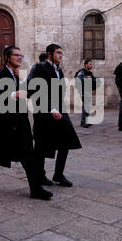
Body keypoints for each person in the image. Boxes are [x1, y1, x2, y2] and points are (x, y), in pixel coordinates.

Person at [0, 46, 52, 200]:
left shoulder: (21, 76)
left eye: (21, 55)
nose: (19, 58)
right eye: (16, 55)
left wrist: (23, 81)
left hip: (21, 121)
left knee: (28, 155)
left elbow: (31, 93)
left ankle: (35, 189)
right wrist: (13, 93)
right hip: (3, 122)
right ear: (7, 57)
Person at [30, 44, 82, 187]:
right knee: (41, 145)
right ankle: (40, 175)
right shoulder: (40, 68)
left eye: (61, 53)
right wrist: (50, 108)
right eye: (58, 53)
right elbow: (35, 90)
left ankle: (58, 174)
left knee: (66, 141)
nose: (60, 55)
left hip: (59, 110)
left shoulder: (58, 70)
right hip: (44, 112)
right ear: (49, 54)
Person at [75, 59, 96, 128]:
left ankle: (86, 121)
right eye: (90, 64)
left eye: (91, 64)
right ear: (86, 65)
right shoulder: (82, 72)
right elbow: (78, 79)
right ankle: (83, 122)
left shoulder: (89, 72)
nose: (91, 65)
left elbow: (93, 80)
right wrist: (86, 77)